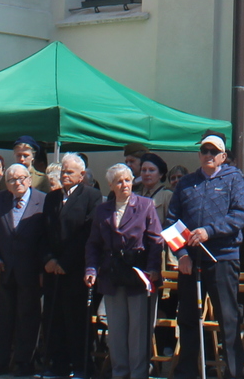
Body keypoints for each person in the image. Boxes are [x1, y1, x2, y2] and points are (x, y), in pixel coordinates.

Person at [170, 133, 244, 379]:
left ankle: (234, 373)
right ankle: (187, 372)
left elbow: (239, 215)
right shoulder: (185, 182)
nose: (208, 155)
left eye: (213, 152)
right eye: (204, 151)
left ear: (223, 156)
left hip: (223, 258)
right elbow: (171, 221)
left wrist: (209, 231)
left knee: (228, 319)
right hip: (191, 262)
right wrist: (182, 254)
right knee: (187, 318)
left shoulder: (234, 179)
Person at [85, 162, 164, 379]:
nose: (124, 185)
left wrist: (153, 269)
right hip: (112, 274)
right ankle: (120, 373)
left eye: (128, 180)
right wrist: (91, 268)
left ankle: (139, 374)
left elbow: (155, 240)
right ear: (111, 185)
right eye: (119, 181)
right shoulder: (102, 210)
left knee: (138, 331)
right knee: (117, 330)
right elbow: (93, 243)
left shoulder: (146, 205)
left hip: (138, 274)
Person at [43, 152, 101, 378]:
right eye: (62, 171)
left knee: (76, 321)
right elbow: (45, 232)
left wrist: (65, 262)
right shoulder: (52, 197)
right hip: (52, 269)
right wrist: (48, 259)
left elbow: (87, 232)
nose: (64, 175)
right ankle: (57, 364)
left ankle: (80, 366)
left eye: (69, 172)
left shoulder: (92, 196)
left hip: (76, 268)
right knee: (54, 318)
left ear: (82, 175)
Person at [0, 161, 49, 376]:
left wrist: (42, 267)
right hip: (3, 269)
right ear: (6, 183)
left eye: (22, 178)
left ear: (29, 179)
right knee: (2, 319)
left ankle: (24, 362)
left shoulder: (43, 200)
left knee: (28, 317)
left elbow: (47, 237)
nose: (18, 182)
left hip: (31, 271)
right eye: (12, 179)